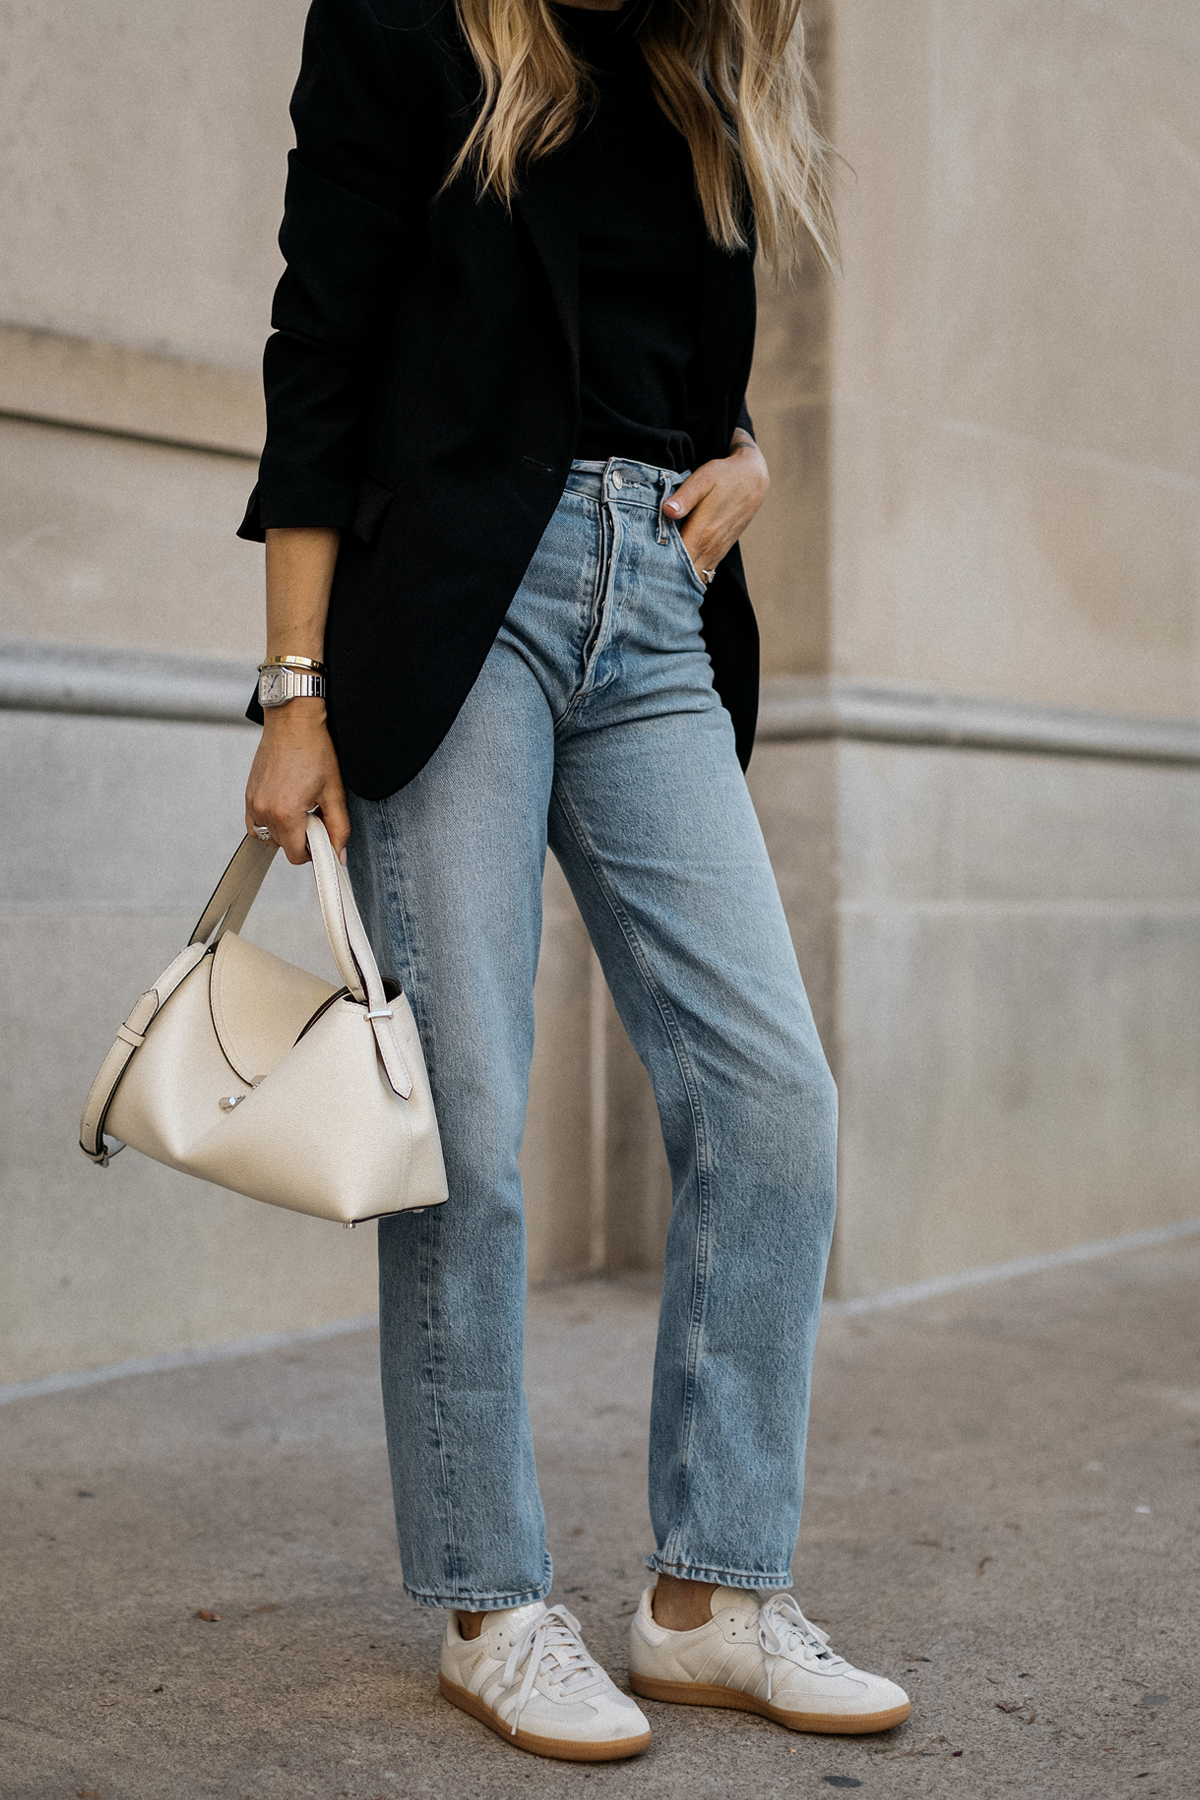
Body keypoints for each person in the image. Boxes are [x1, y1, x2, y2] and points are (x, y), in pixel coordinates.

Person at [241, 0, 911, 1764]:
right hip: (464, 608)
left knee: (772, 1097)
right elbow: (320, 354)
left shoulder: (696, 67)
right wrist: (293, 690)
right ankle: (490, 1600)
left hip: (657, 608)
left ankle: (710, 1597)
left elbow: (666, 366)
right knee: (463, 1119)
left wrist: (752, 455)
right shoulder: (398, 26)